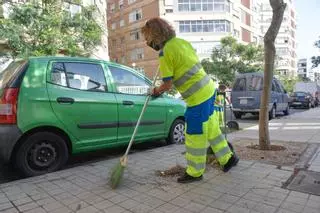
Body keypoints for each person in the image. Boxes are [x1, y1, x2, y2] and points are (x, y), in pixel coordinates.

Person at [141, 17, 239, 183]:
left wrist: (155, 91)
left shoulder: (165, 53)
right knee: (211, 127)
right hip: (209, 89)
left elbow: (168, 84)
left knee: (194, 134)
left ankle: (195, 172)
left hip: (197, 99)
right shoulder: (181, 42)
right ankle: (228, 159)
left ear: (155, 35)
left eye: (147, 37)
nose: (146, 41)